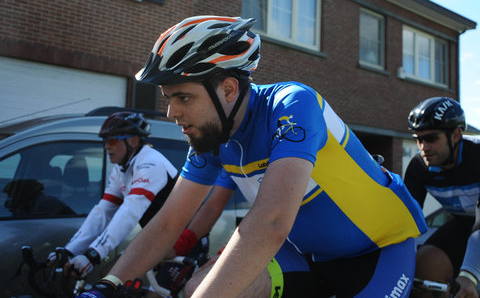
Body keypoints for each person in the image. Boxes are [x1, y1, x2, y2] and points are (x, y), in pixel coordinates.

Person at [78, 15, 427, 298]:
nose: (172, 113)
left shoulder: (293, 106)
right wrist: (106, 286)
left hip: (377, 251)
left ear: (228, 89)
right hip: (303, 255)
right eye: (169, 98)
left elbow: (271, 222)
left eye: (183, 98)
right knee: (197, 286)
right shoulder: (214, 135)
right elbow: (170, 222)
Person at [49, 111, 178, 279]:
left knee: (127, 284)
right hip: (160, 238)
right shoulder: (122, 168)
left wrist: (94, 254)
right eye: (104, 141)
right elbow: (103, 211)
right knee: (109, 275)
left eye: (111, 140)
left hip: (182, 242)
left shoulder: (151, 163)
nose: (106, 146)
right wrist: (70, 250)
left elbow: (130, 211)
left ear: (133, 140)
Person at [404, 97, 480, 298]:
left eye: (431, 138)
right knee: (426, 263)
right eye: (418, 139)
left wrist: (470, 274)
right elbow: (404, 221)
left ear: (456, 135)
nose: (423, 147)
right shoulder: (419, 167)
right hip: (464, 225)